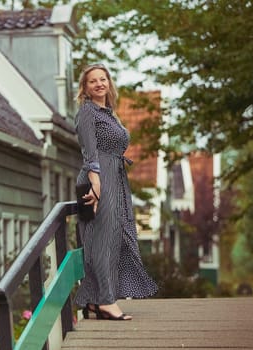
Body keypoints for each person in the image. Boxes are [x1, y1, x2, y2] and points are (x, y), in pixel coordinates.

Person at [74, 63, 158, 320]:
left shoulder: (108, 114)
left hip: (115, 178)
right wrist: (96, 184)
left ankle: (93, 300)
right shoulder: (87, 112)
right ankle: (106, 301)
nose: (99, 84)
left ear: (109, 83)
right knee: (102, 242)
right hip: (99, 179)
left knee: (114, 240)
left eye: (103, 79)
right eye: (93, 81)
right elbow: (89, 152)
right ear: (85, 88)